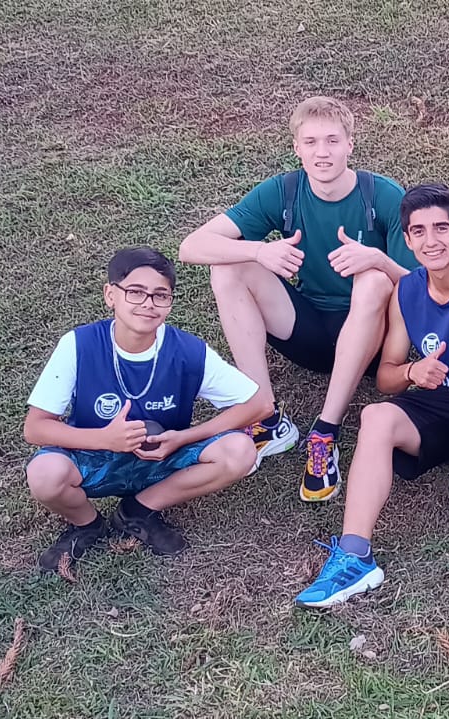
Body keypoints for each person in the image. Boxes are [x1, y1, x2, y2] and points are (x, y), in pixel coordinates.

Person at [294, 183, 449, 607]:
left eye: (441, 228)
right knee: (375, 417)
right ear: (407, 240)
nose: (431, 240)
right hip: (440, 404)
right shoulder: (406, 291)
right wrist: (413, 370)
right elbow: (386, 378)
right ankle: (355, 555)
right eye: (419, 231)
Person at [178, 96, 418, 502]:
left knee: (375, 281)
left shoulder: (383, 196)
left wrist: (378, 260)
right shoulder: (285, 191)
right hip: (308, 330)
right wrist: (259, 251)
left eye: (332, 141)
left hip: (373, 343)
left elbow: (422, 287)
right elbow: (191, 246)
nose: (322, 152)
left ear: (350, 145)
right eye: (311, 142)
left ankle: (326, 431)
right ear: (297, 148)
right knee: (228, 267)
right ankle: (264, 415)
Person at [23, 247, 267, 569]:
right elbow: (35, 428)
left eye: (160, 295)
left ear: (170, 303)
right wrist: (105, 439)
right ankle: (87, 524)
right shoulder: (80, 345)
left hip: (163, 459)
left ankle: (138, 511)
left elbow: (259, 404)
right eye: (135, 292)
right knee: (44, 473)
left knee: (240, 451)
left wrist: (183, 438)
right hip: (93, 459)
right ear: (110, 295)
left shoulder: (187, 350)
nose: (148, 303)